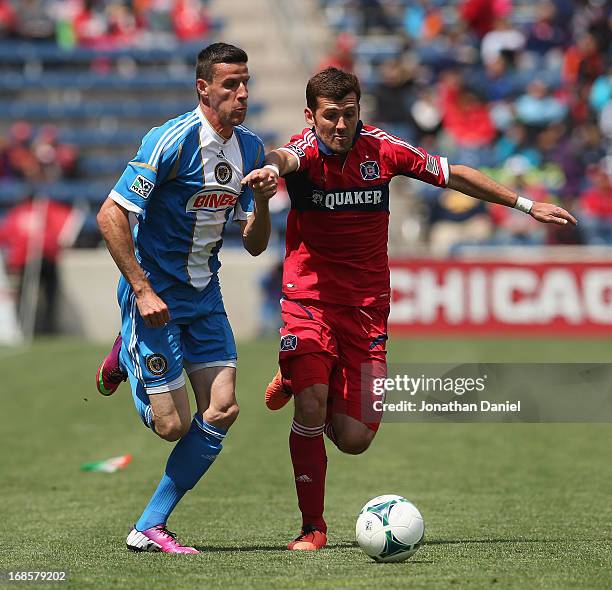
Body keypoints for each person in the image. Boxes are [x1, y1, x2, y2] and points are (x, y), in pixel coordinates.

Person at [242, 67, 576, 551]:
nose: (340, 125)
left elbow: (454, 174)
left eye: (349, 115)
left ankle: (298, 376)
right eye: (330, 116)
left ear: (360, 112)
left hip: (366, 309)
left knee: (355, 438)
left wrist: (525, 205)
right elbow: (284, 157)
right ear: (311, 116)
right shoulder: (305, 151)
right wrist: (270, 171)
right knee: (312, 407)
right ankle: (312, 527)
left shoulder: (382, 149)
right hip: (308, 300)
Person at [94, 43, 273, 554]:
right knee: (172, 426)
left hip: (204, 295)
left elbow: (256, 244)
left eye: (246, 84)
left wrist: (259, 204)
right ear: (204, 88)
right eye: (229, 85)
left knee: (223, 407)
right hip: (156, 298)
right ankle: (127, 347)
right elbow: (111, 214)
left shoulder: (251, 150)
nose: (241, 94)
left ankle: (150, 525)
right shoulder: (170, 140)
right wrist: (141, 289)